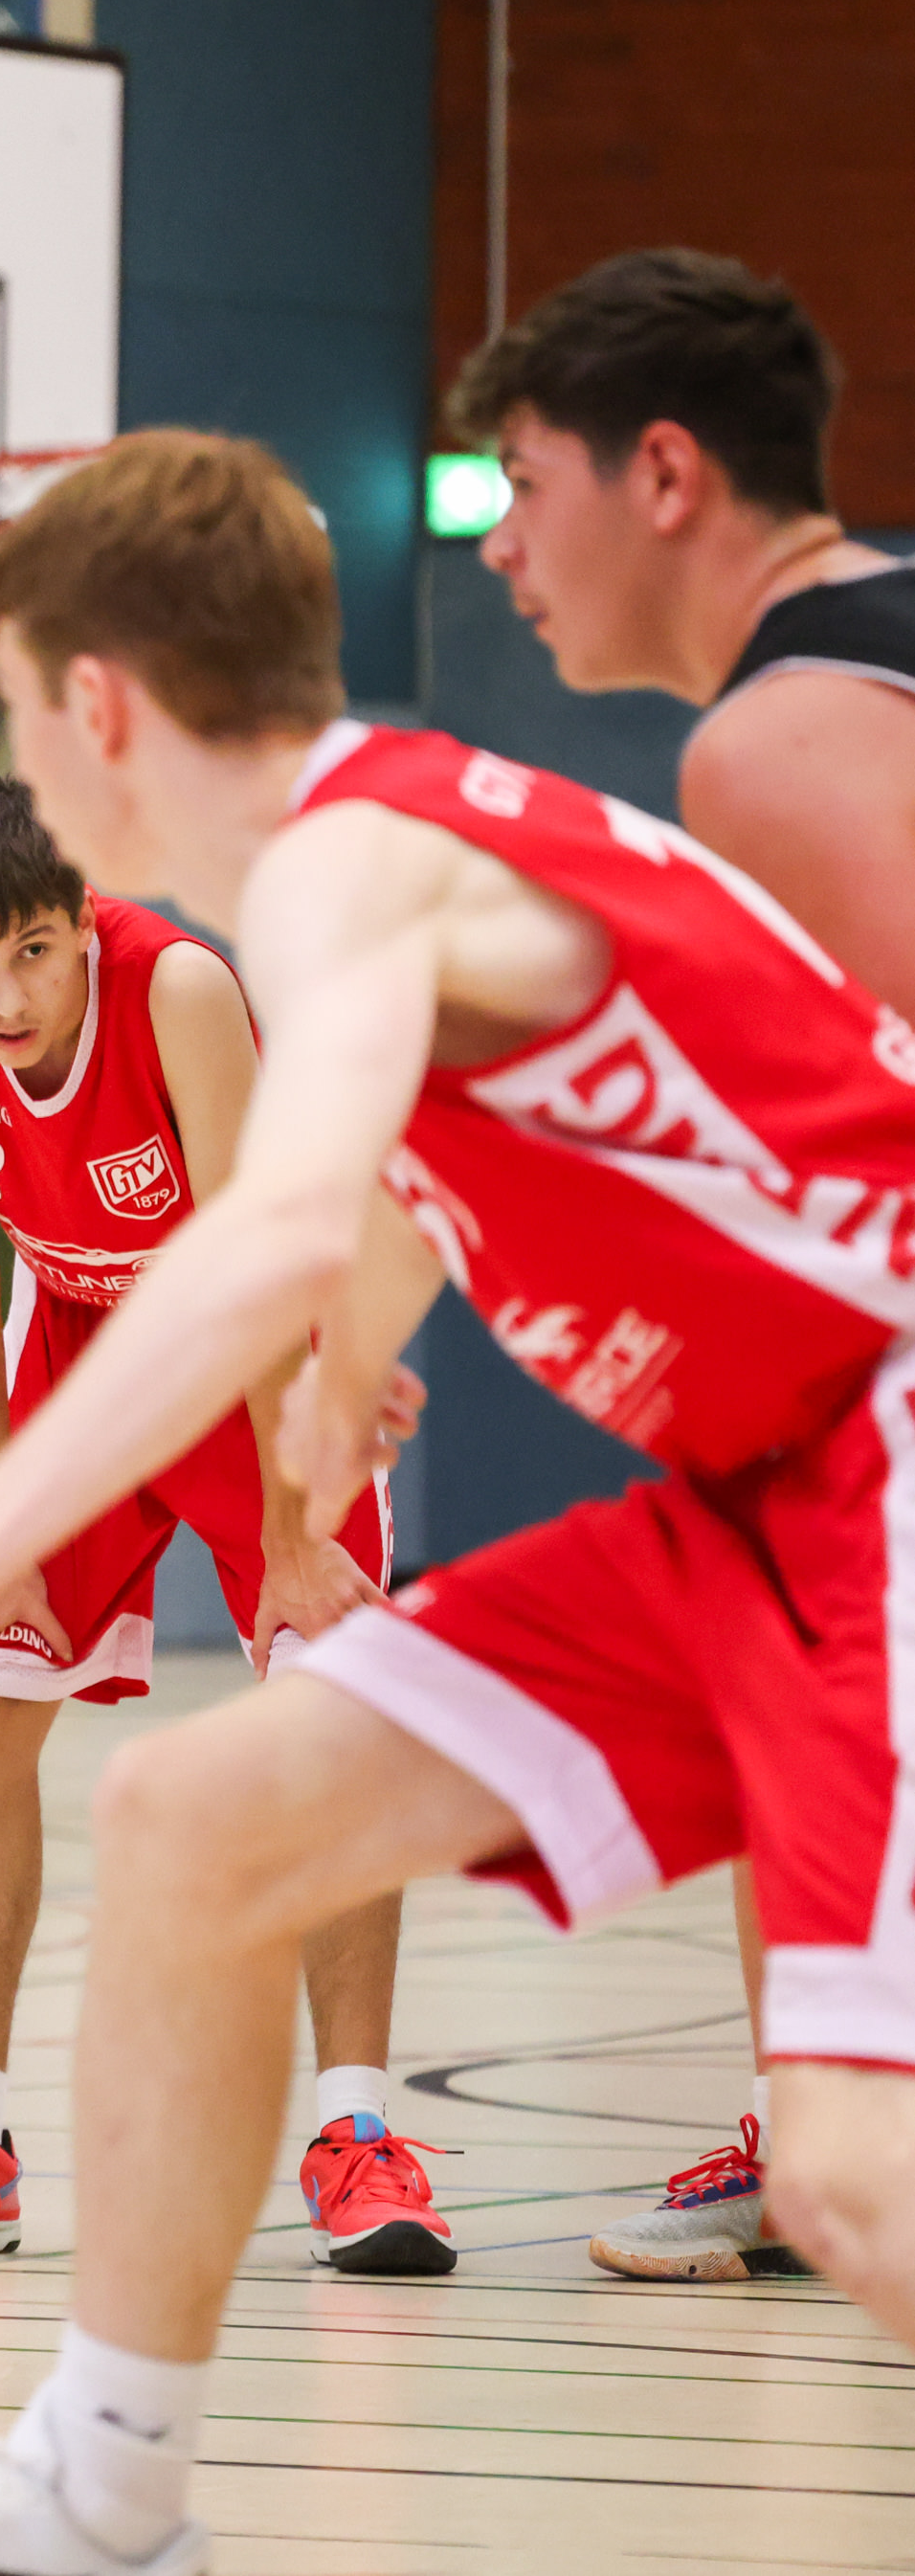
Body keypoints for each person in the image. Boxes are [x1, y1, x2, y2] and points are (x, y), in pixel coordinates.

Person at [0, 430, 915, 2575]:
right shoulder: (380, 845)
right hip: (758, 1483)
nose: (17, 759)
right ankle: (96, 2493)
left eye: (13, 704)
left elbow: (261, 1229)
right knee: (194, 1818)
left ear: (92, 700)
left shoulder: (331, 865)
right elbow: (409, 1172)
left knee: (851, 2178)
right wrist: (348, 1373)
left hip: (873, 1451)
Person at [452, 245, 915, 2282]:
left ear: (659, 473)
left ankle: (834, 2137)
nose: (495, 546)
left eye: (519, 485)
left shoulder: (780, 741)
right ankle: (815, 2122)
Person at [0, 773, 439, 2273]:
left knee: (335, 1711)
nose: (3, 995)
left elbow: (260, 1266)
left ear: (83, 918)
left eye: (33, 950)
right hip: (75, 1342)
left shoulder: (181, 992)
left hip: (250, 1347)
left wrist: (292, 1532)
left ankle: (358, 2135)